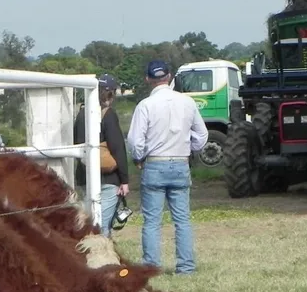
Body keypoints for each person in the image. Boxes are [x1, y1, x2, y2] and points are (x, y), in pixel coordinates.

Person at [127, 60, 208, 274]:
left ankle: (151, 267)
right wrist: (189, 148)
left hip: (155, 163)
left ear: (148, 79)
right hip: (180, 162)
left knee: (152, 221)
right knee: (182, 220)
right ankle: (186, 267)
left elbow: (135, 140)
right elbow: (202, 135)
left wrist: (138, 157)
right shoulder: (188, 102)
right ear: (169, 76)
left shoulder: (145, 105)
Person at [73, 74, 130, 237]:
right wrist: (124, 180)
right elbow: (118, 148)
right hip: (108, 178)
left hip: (85, 176)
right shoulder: (108, 114)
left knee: (89, 222)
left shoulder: (82, 114)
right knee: (102, 226)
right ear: (112, 93)